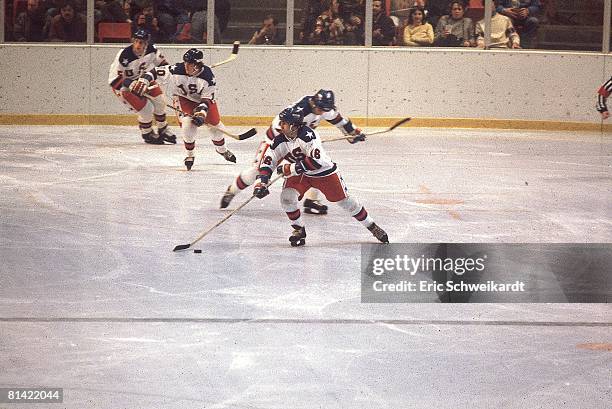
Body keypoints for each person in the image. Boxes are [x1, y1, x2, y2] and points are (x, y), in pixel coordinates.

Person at [251, 106, 389, 247]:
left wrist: (289, 168)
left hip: (323, 173)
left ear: (293, 126)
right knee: (287, 198)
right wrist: (261, 183)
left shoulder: (308, 136)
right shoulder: (279, 140)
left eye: (283, 123)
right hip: (301, 174)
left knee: (346, 202)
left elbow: (317, 162)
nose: (280, 126)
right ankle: (299, 230)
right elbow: (269, 161)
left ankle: (371, 225)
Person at [219, 89, 366, 213]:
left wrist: (353, 133)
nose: (322, 112)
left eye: (324, 109)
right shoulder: (299, 112)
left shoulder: (322, 108)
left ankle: (311, 200)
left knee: (315, 166)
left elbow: (339, 121)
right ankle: (232, 191)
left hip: (300, 143)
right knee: (257, 171)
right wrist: (262, 181)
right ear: (314, 103)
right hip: (276, 141)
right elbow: (280, 137)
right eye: (320, 108)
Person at [130, 48, 236, 170]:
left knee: (216, 129)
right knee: (187, 126)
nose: (186, 66)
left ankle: (222, 150)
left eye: (189, 64)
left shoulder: (208, 78)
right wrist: (143, 81)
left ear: (197, 65)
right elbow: (153, 72)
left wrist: (201, 113)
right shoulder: (176, 69)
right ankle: (190, 155)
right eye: (185, 62)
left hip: (202, 101)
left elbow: (206, 100)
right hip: (183, 99)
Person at [108, 29, 176, 144]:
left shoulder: (152, 50)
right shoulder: (124, 55)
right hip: (124, 87)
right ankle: (147, 133)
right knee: (147, 110)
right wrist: (131, 84)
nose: (138, 45)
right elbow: (114, 80)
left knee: (160, 101)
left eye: (141, 42)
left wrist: (172, 71)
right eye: (136, 41)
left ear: (146, 43)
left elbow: (164, 66)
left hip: (142, 79)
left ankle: (162, 128)